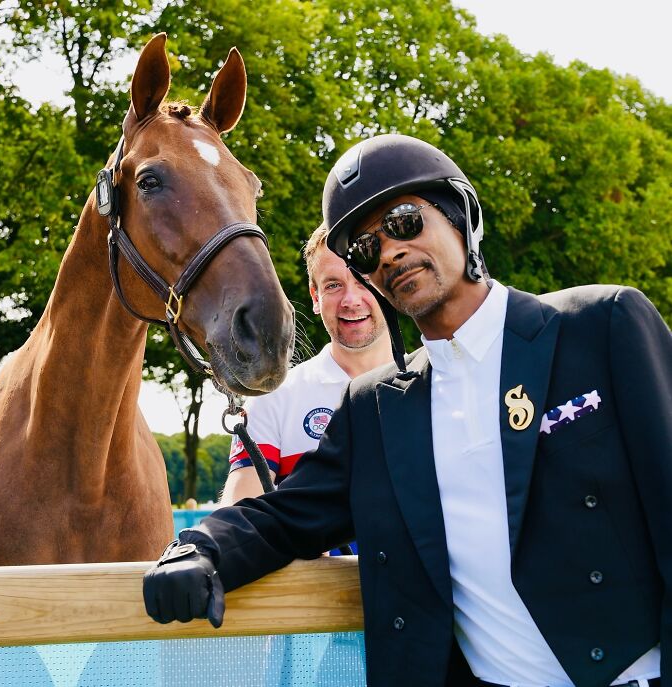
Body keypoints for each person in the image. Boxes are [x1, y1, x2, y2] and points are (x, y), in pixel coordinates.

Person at [143, 134, 672, 687]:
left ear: (460, 214)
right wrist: (198, 548)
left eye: (402, 222)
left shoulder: (601, 326)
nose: (389, 252)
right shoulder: (374, 408)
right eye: (365, 250)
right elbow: (284, 517)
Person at [220, 222, 393, 512]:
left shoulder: (437, 383)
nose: (350, 300)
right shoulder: (275, 397)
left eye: (363, 280)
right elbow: (239, 514)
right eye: (334, 285)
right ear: (315, 297)